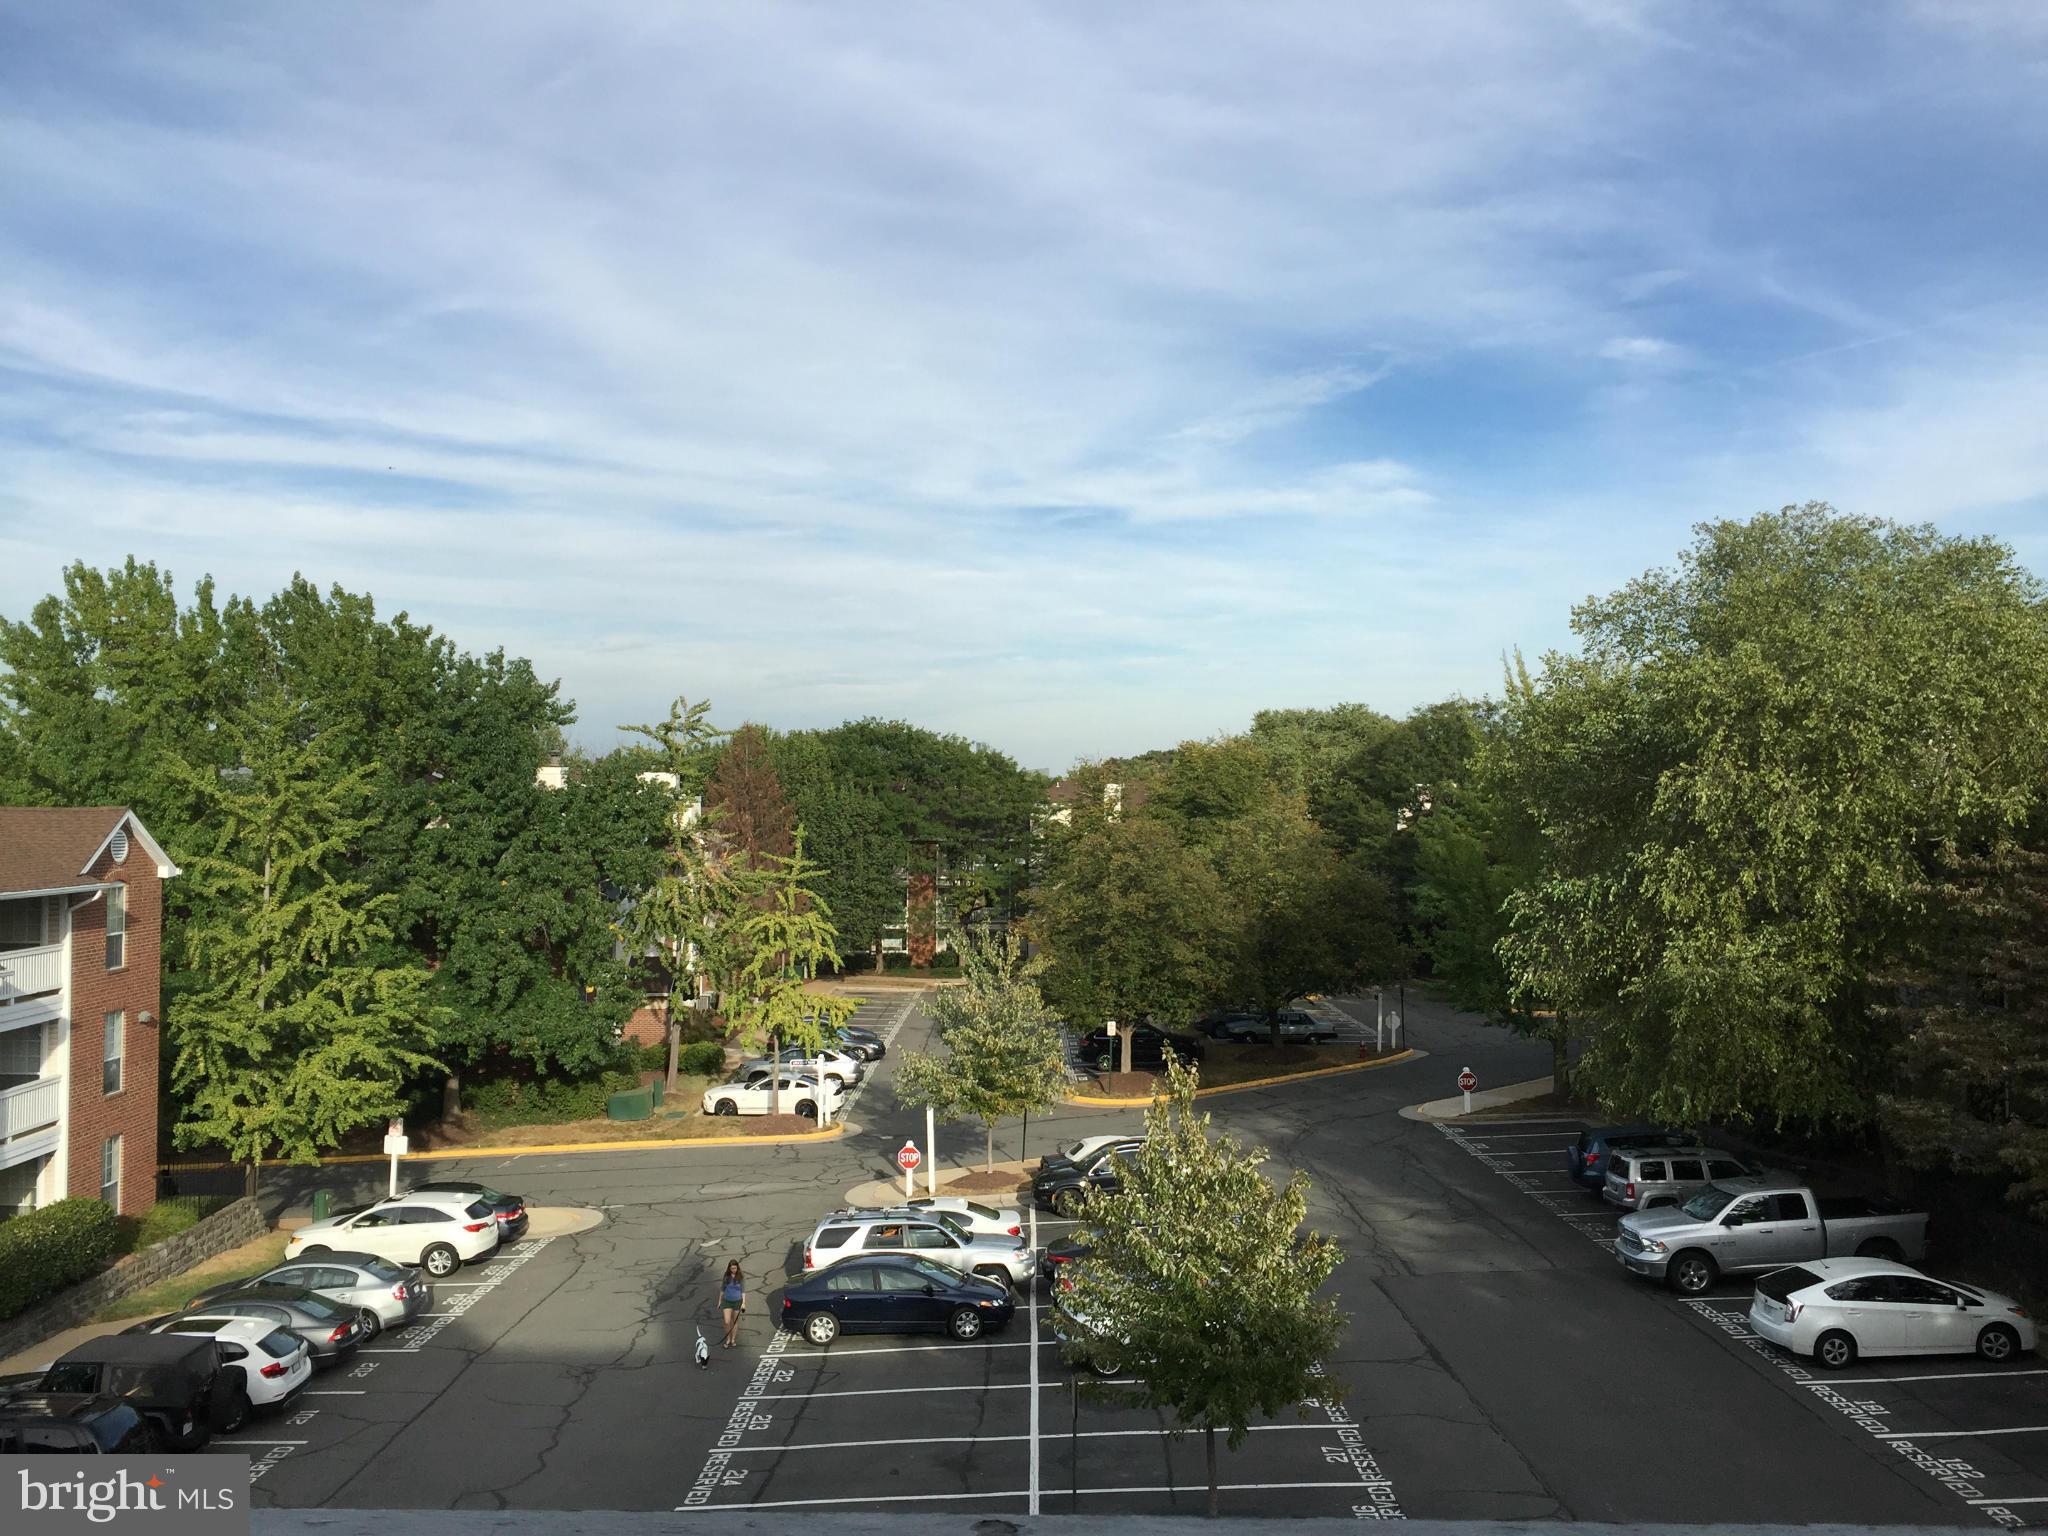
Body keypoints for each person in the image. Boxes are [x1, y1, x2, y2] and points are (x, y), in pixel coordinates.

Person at [719, 1261, 745, 1349]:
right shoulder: (726, 1276)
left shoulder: (740, 1277)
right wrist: (719, 1301)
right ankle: (728, 1339)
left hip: (737, 1301)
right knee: (727, 1321)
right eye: (731, 1268)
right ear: (729, 1268)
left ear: (737, 1268)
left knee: (734, 1321)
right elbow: (722, 1289)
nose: (733, 1270)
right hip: (727, 1301)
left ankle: (733, 1339)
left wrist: (744, 1303)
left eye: (734, 1268)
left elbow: (743, 1291)